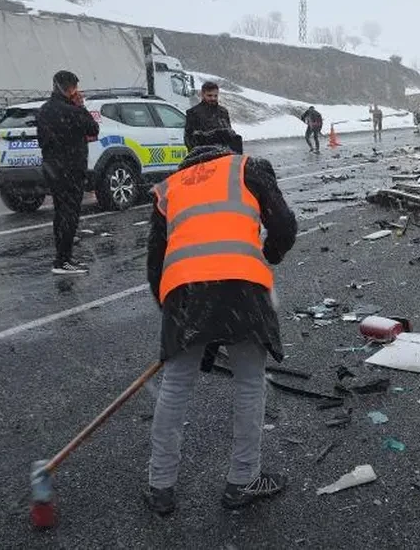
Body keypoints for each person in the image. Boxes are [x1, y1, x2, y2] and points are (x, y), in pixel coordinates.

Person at [143, 127, 298, 516]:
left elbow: (154, 262)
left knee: (175, 386)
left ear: (192, 153)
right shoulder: (250, 168)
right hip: (241, 284)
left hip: (183, 290)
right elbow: (284, 226)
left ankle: (160, 485)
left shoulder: (170, 187)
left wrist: (177, 314)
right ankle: (242, 480)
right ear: (232, 151)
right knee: (248, 382)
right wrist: (270, 254)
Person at [36, 70, 99, 275]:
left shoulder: (45, 110)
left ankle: (61, 257)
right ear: (69, 89)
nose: (77, 92)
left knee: (60, 212)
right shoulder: (72, 111)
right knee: (70, 215)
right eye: (75, 88)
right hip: (71, 169)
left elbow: (43, 140)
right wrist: (80, 107)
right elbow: (93, 129)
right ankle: (63, 260)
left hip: (52, 168)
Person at [184, 81, 233, 152]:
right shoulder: (193, 113)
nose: (213, 98)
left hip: (222, 154)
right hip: (202, 156)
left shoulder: (223, 112)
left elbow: (229, 134)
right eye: (209, 95)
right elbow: (188, 139)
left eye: (215, 96)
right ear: (202, 94)